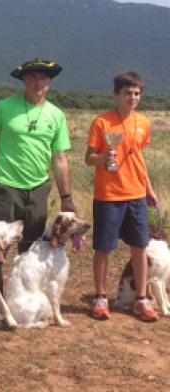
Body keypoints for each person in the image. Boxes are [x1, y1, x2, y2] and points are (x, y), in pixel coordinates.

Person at [0, 59, 76, 311]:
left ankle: (23, 298)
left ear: (49, 82)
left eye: (43, 78)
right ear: (23, 80)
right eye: (32, 78)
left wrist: (66, 196)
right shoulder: (4, 107)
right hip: (5, 185)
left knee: (31, 247)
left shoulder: (56, 115)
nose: (38, 83)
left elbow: (59, 158)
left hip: (38, 187)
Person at [84, 71, 158, 322]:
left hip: (136, 193)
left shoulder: (144, 123)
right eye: (127, 93)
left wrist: (148, 187)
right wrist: (104, 159)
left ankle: (141, 298)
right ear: (116, 94)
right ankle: (100, 297)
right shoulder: (102, 123)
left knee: (140, 247)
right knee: (104, 247)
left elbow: (138, 157)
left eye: (137, 93)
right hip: (109, 195)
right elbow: (88, 158)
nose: (132, 97)